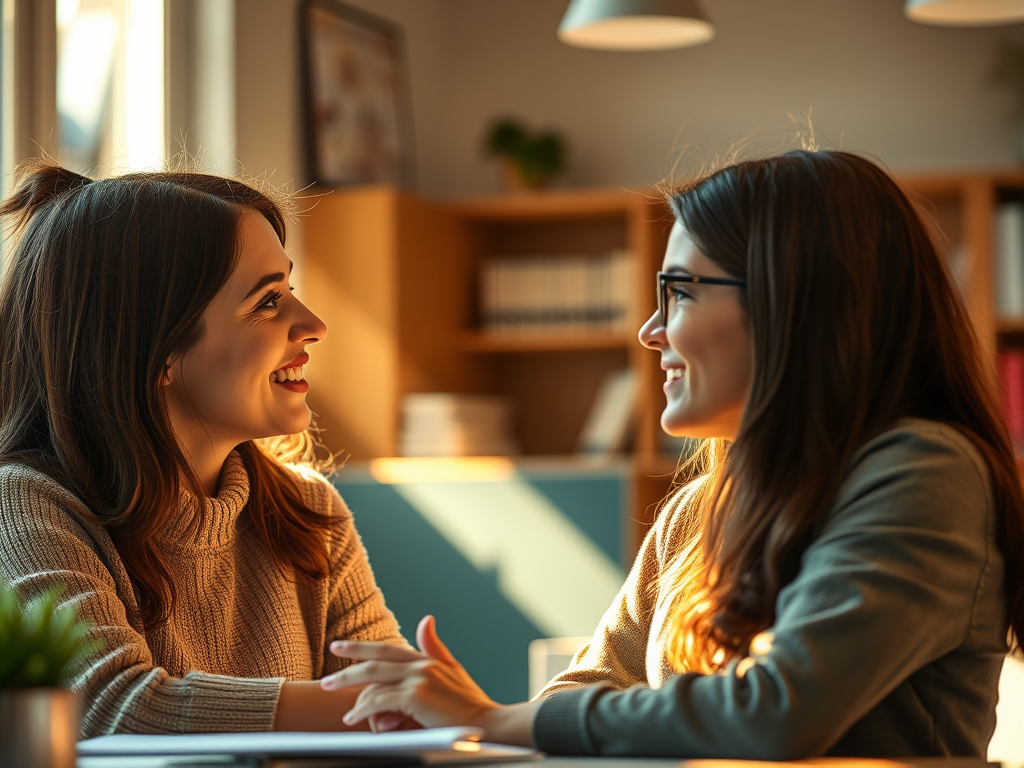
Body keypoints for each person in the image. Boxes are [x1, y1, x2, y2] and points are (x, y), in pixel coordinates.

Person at [319, 149, 1024, 758]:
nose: (651, 331)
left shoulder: (924, 473)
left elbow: (777, 713)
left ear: (791, 305)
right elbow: (587, 691)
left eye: (680, 292)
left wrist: (494, 718)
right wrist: (494, 720)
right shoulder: (700, 509)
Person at [0, 161, 408, 736]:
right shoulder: (23, 507)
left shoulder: (311, 515)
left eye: (290, 289)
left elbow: (398, 708)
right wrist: (392, 707)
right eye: (268, 302)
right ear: (157, 350)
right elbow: (108, 708)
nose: (313, 324)